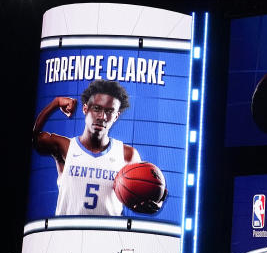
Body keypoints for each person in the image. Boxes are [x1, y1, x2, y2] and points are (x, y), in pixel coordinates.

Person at [32, 79, 166, 216]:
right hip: (66, 233)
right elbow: (33, 139)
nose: (102, 116)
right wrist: (56, 103)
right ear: (85, 109)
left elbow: (152, 189)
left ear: (116, 116)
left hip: (107, 234)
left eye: (110, 111)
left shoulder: (127, 154)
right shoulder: (66, 147)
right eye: (96, 108)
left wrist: (157, 202)